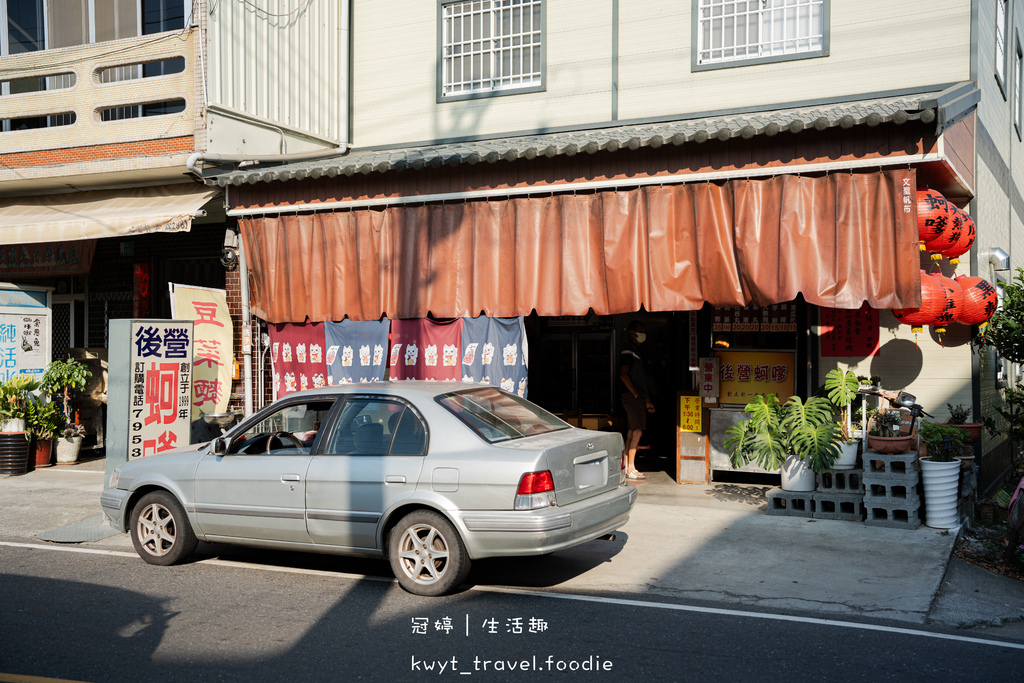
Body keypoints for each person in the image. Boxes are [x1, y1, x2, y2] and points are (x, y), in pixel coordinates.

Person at [620, 320, 654, 480]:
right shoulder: (628, 351)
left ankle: (627, 465)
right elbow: (623, 374)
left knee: (631, 431)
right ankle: (631, 467)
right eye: (640, 331)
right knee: (637, 431)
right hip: (632, 397)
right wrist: (635, 394)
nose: (643, 334)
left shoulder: (636, 351)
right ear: (632, 333)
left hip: (635, 397)